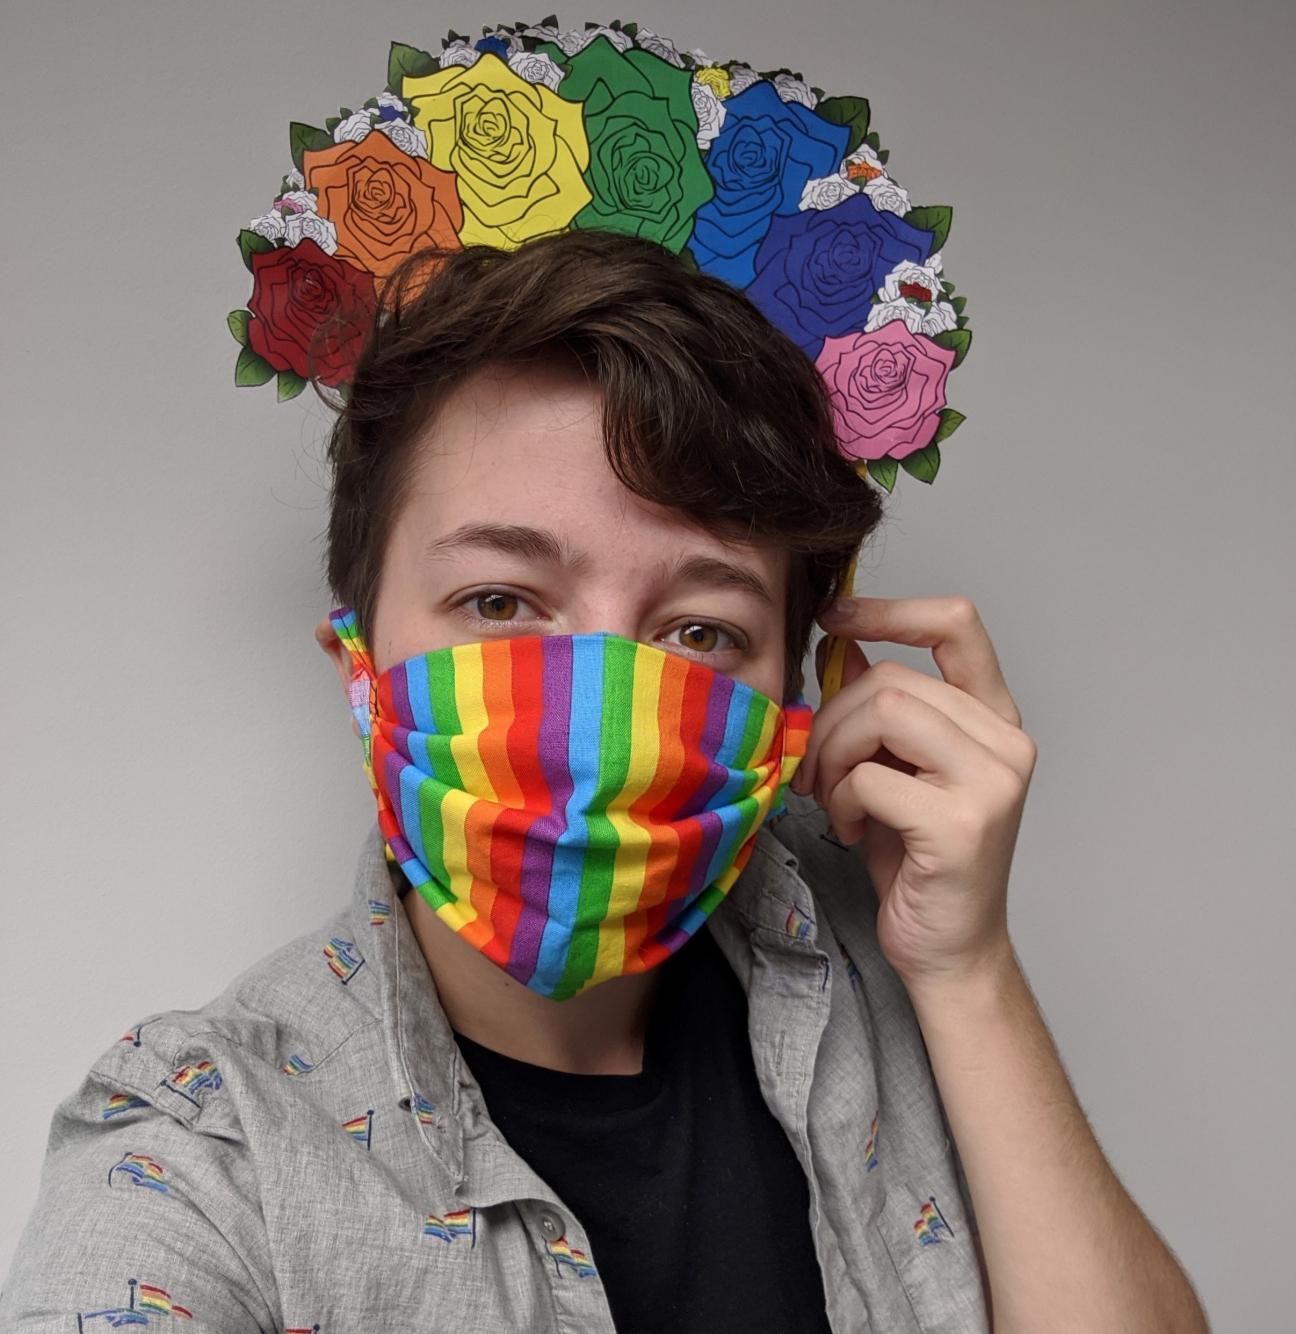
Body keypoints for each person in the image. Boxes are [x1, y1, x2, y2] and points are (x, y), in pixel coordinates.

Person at [1, 231, 1207, 1333]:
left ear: (800, 704)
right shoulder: (203, 1139)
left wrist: (969, 963)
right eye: (500, 603)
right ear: (360, 671)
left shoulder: (877, 948)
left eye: (698, 630)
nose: (602, 717)